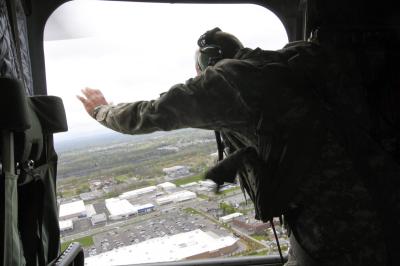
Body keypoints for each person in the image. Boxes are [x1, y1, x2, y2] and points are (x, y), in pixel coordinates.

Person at [78, 28, 396, 265]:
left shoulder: (229, 81)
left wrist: (100, 110)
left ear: (206, 67)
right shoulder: (299, 62)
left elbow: (149, 114)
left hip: (336, 231)